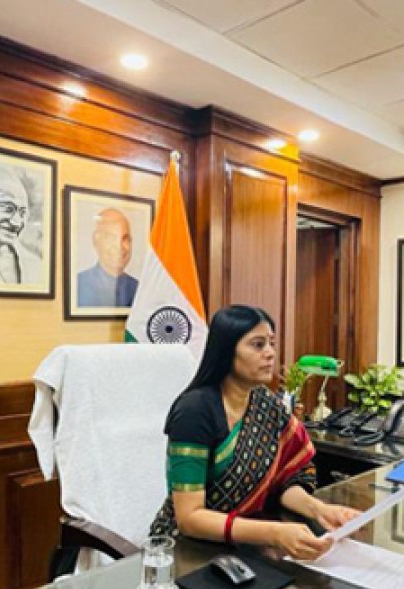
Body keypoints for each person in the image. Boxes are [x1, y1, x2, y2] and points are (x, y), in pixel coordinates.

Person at [150, 305, 360, 560]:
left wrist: (320, 510)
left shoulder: (266, 404)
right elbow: (189, 519)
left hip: (243, 544)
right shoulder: (194, 411)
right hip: (184, 550)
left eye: (271, 343)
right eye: (258, 345)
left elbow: (283, 482)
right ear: (226, 351)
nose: (270, 353)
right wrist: (274, 533)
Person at [76, 208, 138, 307]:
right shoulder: (79, 285)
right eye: (111, 238)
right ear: (96, 241)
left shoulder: (139, 289)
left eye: (125, 238)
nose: (119, 246)